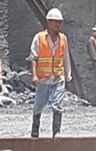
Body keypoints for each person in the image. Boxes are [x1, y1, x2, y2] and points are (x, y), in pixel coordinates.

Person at [30, 7, 73, 138]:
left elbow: (65, 57)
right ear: (49, 22)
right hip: (43, 79)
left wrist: (68, 76)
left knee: (57, 105)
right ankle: (35, 132)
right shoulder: (39, 38)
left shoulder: (63, 39)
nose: (58, 24)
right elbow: (34, 57)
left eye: (59, 22)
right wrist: (34, 75)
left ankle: (56, 132)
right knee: (39, 105)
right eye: (55, 22)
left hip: (57, 78)